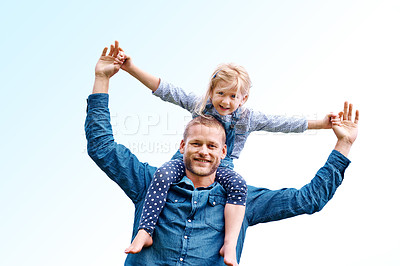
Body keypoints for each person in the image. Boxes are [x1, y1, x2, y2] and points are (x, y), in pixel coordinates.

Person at [85, 41, 359, 265]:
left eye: (212, 146)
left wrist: (340, 141)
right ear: (182, 146)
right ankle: (145, 232)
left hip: (229, 182)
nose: (203, 151)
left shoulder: (239, 199)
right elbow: (103, 146)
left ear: (224, 149)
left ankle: (228, 245)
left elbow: (307, 199)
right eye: (196, 144)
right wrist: (102, 79)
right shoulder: (153, 182)